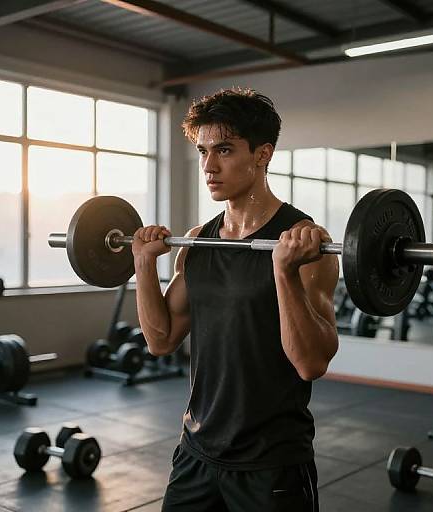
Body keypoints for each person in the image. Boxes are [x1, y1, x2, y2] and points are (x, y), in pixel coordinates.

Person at [132, 88, 339, 512]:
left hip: (272, 464)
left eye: (223, 150)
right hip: (196, 453)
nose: (208, 166)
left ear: (263, 154)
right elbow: (161, 340)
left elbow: (311, 363)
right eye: (203, 151)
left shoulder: (306, 243)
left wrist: (282, 271)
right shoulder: (197, 241)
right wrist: (143, 266)